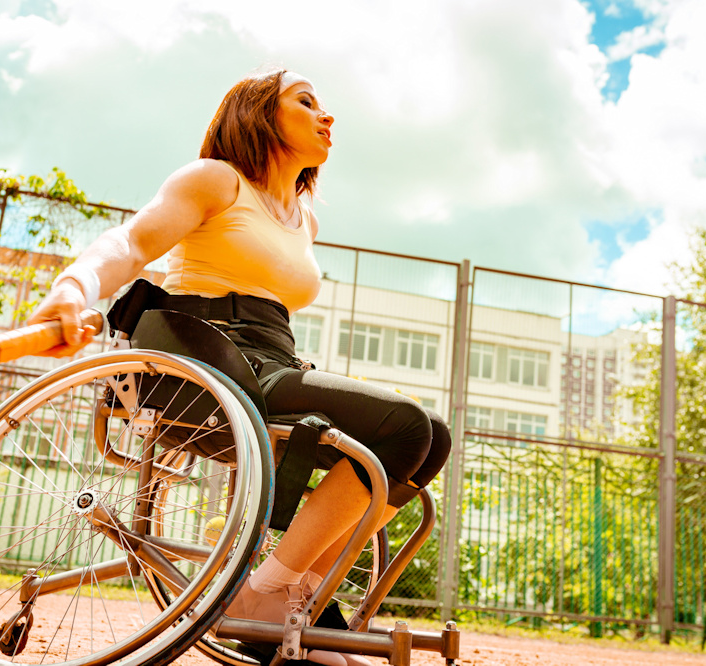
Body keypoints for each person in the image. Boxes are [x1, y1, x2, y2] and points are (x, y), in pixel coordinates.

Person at [29, 69, 452, 666]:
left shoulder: (305, 221)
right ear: (258, 114)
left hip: (271, 361)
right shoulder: (216, 181)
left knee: (431, 437)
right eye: (306, 102)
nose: (326, 116)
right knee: (405, 425)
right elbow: (132, 243)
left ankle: (299, 596)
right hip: (208, 360)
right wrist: (74, 288)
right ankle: (264, 593)